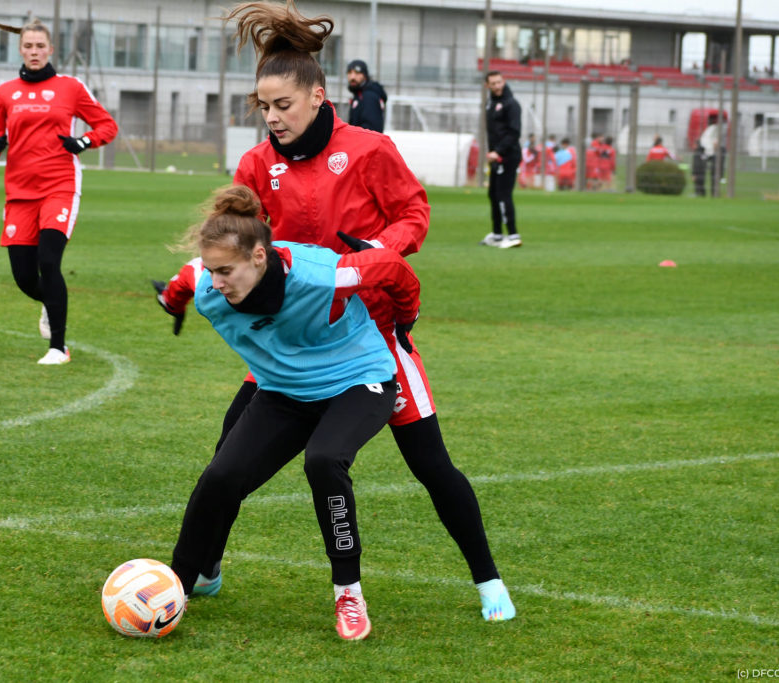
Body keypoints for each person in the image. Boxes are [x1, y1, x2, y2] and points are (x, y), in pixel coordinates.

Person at [156, 0, 515, 626]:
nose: (271, 119)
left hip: (372, 333)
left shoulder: (370, 150)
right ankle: (202, 572)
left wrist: (381, 253)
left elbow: (414, 214)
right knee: (226, 461)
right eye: (262, 108)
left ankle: (489, 582)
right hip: (292, 338)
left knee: (430, 464)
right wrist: (196, 281)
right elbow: (239, 246)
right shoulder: (256, 165)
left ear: (319, 97)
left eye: (282, 106)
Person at [169, 184, 421, 640]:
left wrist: (405, 320)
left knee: (324, 460)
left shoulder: (323, 276)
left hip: (359, 382)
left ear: (260, 257)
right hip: (284, 393)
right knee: (221, 477)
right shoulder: (209, 288)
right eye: (212, 271)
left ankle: (348, 591)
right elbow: (185, 280)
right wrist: (172, 300)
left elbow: (393, 268)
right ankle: (177, 586)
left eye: (226, 270)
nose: (217, 281)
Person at [0, 19, 117, 365]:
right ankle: (49, 302)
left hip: (60, 186)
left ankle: (58, 346)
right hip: (19, 193)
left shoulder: (70, 87)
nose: (34, 52)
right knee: (25, 278)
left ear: (50, 49)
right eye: (29, 46)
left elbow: (106, 125)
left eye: (40, 46)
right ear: (20, 49)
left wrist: (82, 141)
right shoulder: (5, 92)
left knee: (49, 261)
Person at [480, 71, 522, 249]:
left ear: (504, 82)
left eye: (499, 82)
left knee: (504, 195)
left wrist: (498, 151)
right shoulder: (491, 103)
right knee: (493, 195)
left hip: (508, 156)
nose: (497, 86)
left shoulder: (511, 104)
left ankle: (513, 235)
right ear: (487, 86)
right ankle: (497, 234)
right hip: (496, 157)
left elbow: (514, 132)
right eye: (493, 83)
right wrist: (492, 153)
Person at [345, 59, 387, 133]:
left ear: (365, 76)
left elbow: (370, 131)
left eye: (357, 73)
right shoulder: (359, 95)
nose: (352, 77)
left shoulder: (369, 97)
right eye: (350, 73)